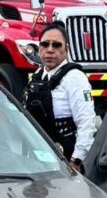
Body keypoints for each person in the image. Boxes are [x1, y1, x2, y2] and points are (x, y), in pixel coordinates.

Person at [22, 22, 96, 172]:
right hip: (37, 157)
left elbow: (86, 122)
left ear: (66, 50)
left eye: (56, 45)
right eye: (45, 44)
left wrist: (76, 160)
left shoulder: (75, 78)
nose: (50, 50)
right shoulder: (37, 76)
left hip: (65, 157)